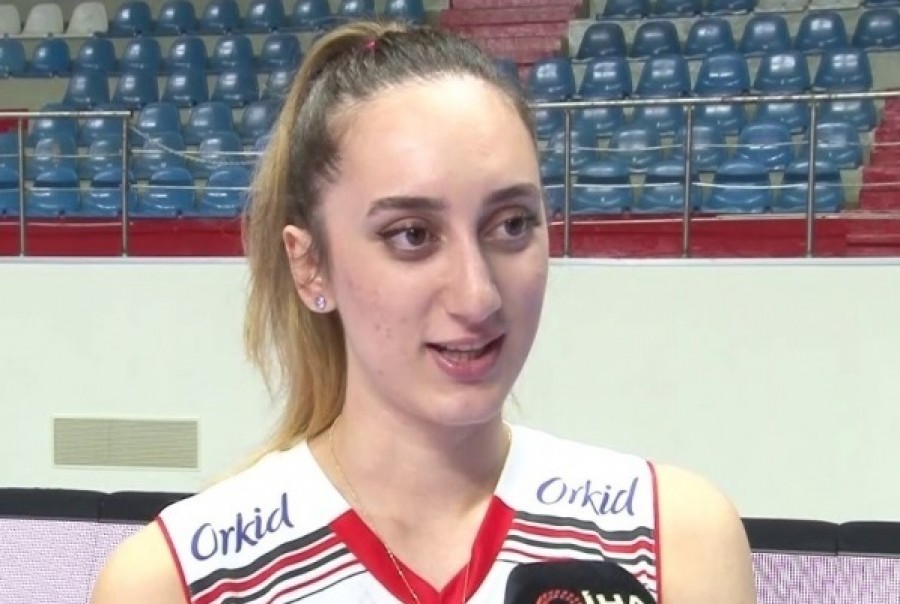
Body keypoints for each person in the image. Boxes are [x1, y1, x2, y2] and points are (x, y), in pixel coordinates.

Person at [91, 21, 756, 604]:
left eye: (511, 224)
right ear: (309, 265)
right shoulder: (179, 580)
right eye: (411, 234)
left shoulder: (672, 539)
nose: (477, 295)